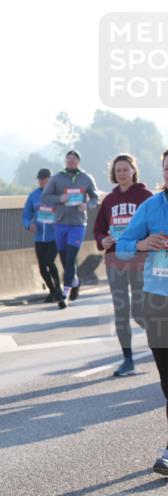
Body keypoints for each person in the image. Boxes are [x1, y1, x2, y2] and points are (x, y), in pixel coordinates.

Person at [116, 149, 168, 475]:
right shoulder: (151, 207)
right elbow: (121, 247)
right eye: (167, 169)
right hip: (158, 300)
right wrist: (142, 244)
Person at [94, 153, 153, 377]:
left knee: (139, 311)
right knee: (120, 311)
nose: (122, 174)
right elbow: (99, 229)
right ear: (113, 173)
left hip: (139, 260)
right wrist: (102, 240)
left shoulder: (145, 196)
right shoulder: (109, 200)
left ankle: (161, 342)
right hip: (115, 260)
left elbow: (156, 224)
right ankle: (128, 360)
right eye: (118, 170)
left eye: (125, 169)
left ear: (133, 171)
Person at [41, 150, 100, 308]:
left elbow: (95, 198)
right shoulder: (57, 178)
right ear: (65, 161)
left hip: (78, 224)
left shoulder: (86, 178)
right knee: (64, 259)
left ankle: (64, 295)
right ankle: (75, 282)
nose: (71, 160)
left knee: (70, 258)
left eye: (74, 158)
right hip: (60, 223)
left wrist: (87, 205)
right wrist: (60, 198)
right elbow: (45, 197)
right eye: (69, 158)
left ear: (78, 161)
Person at [22, 168, 61, 302]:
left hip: (55, 236)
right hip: (39, 238)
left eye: (44, 179)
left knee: (49, 261)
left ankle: (58, 289)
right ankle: (52, 291)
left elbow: (66, 211)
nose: (41, 181)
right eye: (40, 179)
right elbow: (26, 216)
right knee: (42, 267)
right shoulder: (33, 196)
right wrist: (28, 225)